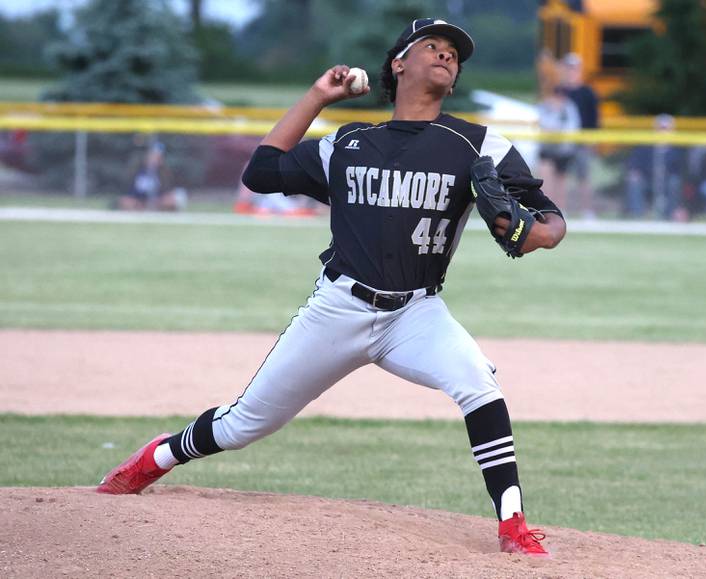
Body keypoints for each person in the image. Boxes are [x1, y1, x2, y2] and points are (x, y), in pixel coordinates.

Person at [96, 18, 566, 557]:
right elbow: (261, 171)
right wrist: (318, 96)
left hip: (417, 313)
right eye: (431, 47)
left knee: (480, 385)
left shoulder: (479, 144)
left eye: (454, 55)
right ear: (398, 64)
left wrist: (538, 235)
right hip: (338, 307)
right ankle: (155, 458)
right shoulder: (348, 143)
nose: (445, 56)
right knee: (244, 424)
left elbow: (550, 218)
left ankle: (512, 524)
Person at [535, 52, 581, 212]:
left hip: (563, 149)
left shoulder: (568, 107)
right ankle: (546, 209)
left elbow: (573, 126)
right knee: (545, 179)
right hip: (547, 148)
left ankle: (560, 210)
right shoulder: (545, 106)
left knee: (561, 181)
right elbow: (541, 123)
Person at [623, 114, 684, 220]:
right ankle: (638, 215)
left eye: (666, 128)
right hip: (648, 180)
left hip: (667, 181)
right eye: (661, 128)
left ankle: (670, 216)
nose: (663, 131)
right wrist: (635, 173)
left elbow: (682, 170)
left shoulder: (678, 148)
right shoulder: (645, 146)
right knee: (634, 181)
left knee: (674, 182)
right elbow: (634, 164)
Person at [561, 53, 600, 219]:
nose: (572, 71)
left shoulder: (587, 92)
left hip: (582, 140)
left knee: (583, 176)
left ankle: (587, 211)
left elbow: (594, 119)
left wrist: (591, 141)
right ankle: (561, 210)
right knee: (562, 176)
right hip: (563, 141)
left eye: (574, 68)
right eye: (569, 68)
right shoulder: (560, 91)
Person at [115, 141, 187, 211]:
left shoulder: (163, 173)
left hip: (157, 202)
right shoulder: (137, 169)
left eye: (158, 157)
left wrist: (158, 201)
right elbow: (130, 191)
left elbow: (167, 192)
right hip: (138, 201)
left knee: (171, 201)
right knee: (126, 202)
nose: (155, 160)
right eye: (153, 156)